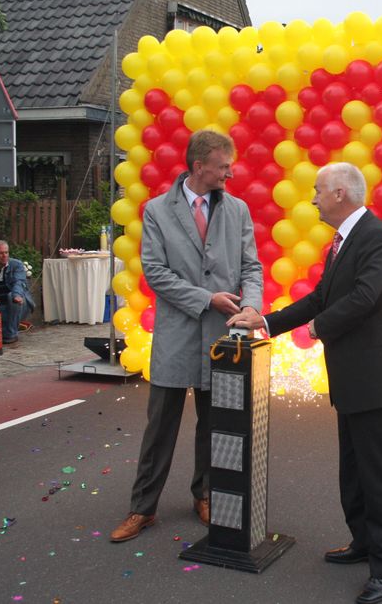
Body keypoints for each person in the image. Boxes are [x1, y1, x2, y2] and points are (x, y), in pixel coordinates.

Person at [228, 162, 382, 604]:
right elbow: (320, 297)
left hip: (379, 380)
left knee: (381, 475)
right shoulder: (342, 243)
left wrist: (317, 329)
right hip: (353, 380)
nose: (312, 199)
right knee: (353, 470)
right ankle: (363, 542)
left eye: (317, 191)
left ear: (339, 193)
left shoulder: (379, 237)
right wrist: (267, 322)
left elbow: (367, 297)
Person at [110, 130, 263, 542]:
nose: (230, 172)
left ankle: (206, 495)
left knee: (215, 424)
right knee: (160, 427)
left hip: (223, 337)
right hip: (176, 339)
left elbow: (252, 267)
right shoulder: (158, 211)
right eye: (223, 166)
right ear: (199, 167)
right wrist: (205, 299)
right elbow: (156, 274)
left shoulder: (239, 210)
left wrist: (251, 305)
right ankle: (142, 508)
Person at [0, 240, 34, 344]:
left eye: (6, 252)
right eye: (1, 253)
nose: (4, 255)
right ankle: (8, 328)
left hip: (18, 304)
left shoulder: (16, 265)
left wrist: (16, 295)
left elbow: (19, 282)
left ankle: (11, 334)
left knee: (12, 297)